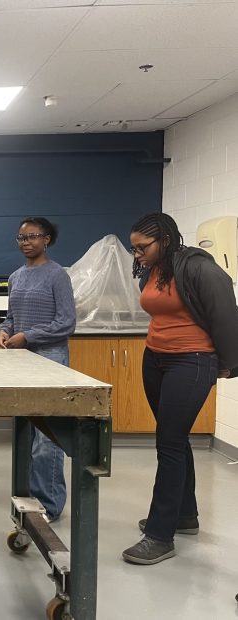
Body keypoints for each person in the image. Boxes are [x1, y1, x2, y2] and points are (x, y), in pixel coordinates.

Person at [122, 213, 238, 565]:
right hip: (156, 358)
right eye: (134, 248)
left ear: (166, 240)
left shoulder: (200, 268)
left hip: (192, 361)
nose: (137, 253)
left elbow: (226, 313)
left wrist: (228, 364)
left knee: (168, 444)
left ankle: (160, 535)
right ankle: (185, 515)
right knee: (174, 438)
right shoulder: (155, 269)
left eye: (143, 247)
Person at [0, 217, 75, 519]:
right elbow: (11, 317)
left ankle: (49, 504)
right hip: (21, 361)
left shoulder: (58, 276)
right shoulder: (16, 276)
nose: (26, 242)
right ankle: (29, 498)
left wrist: (28, 336)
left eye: (32, 236)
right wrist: (5, 330)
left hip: (51, 359)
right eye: (20, 237)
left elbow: (66, 323)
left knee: (48, 439)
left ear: (47, 240)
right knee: (25, 434)